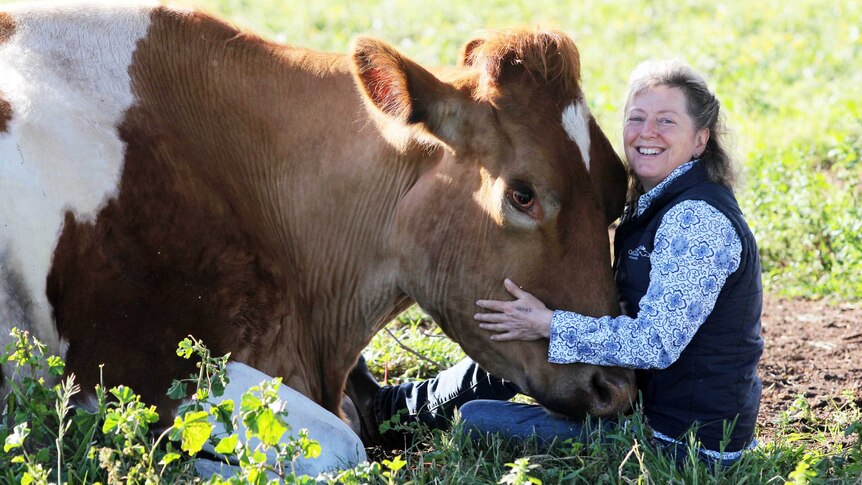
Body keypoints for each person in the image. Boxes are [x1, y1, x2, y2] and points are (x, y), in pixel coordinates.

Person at [346, 59, 763, 467]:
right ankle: (387, 409)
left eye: (667, 121)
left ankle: (388, 415)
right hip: (653, 405)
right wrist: (545, 323)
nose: (646, 133)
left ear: (701, 140)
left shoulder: (696, 219)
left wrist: (549, 323)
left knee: (476, 421)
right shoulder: (661, 201)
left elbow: (657, 343)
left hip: (684, 444)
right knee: (521, 335)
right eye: (636, 118)